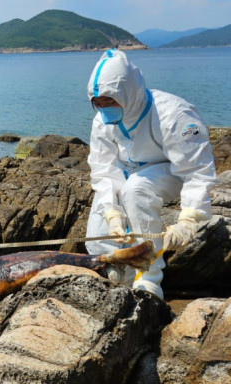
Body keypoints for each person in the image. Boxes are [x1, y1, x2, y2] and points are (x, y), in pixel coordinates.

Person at [84, 49, 218, 300]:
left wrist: (189, 219)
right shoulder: (102, 120)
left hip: (172, 171)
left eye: (110, 101)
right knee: (97, 239)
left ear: (128, 92)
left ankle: (148, 279)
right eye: (98, 103)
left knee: (136, 189)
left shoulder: (174, 114)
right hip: (129, 171)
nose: (104, 109)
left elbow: (197, 171)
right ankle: (120, 283)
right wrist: (112, 213)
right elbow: (103, 170)